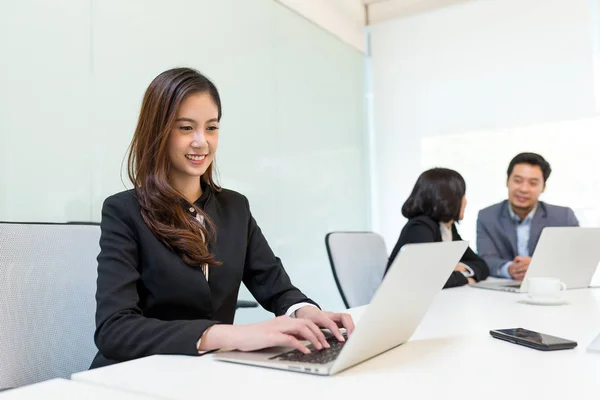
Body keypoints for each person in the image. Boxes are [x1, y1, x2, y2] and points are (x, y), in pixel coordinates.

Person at [90, 67, 354, 369]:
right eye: (185, 128)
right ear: (158, 132)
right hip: (136, 374)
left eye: (211, 128)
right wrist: (230, 335)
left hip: (208, 374)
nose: (201, 142)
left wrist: (304, 312)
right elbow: (114, 329)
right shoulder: (124, 211)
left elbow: (276, 286)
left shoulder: (235, 207)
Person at [476, 152, 579, 280]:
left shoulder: (564, 217)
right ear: (507, 181)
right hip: (502, 291)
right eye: (518, 181)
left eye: (533, 183)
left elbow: (575, 259)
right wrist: (509, 268)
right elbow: (485, 259)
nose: (524, 189)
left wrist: (538, 267)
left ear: (543, 187)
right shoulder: (487, 216)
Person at [386, 168, 489, 288]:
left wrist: (459, 270)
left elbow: (482, 265)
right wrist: (464, 278)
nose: (465, 201)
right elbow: (427, 280)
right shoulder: (420, 227)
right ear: (447, 199)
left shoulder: (448, 227)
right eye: (462, 195)